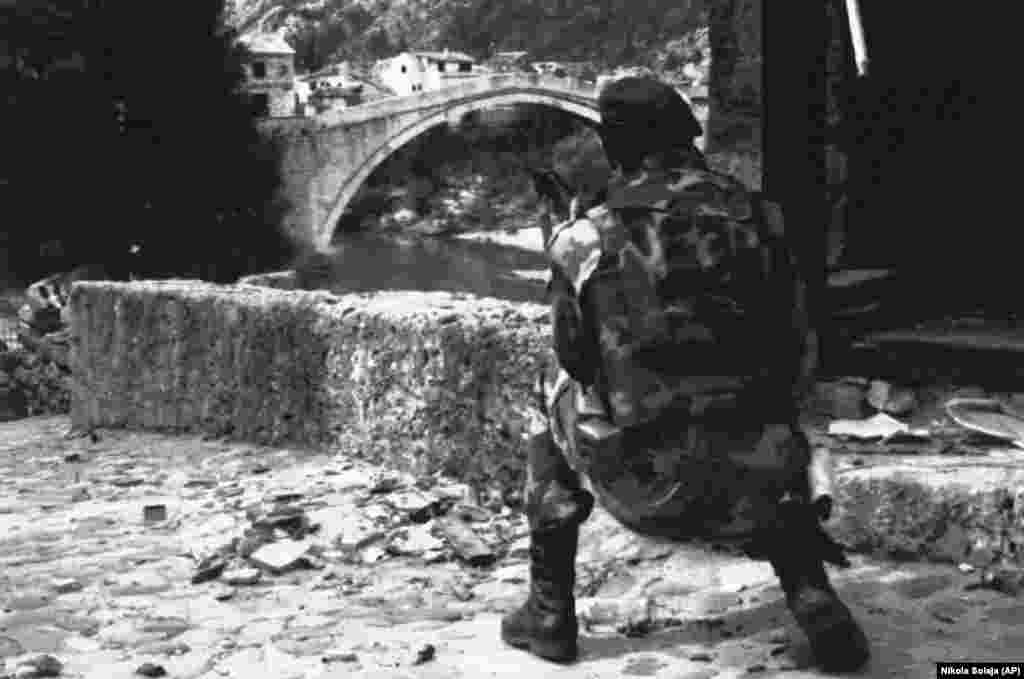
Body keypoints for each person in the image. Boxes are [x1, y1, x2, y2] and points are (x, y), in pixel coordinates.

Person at [501, 76, 871, 674]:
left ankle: (550, 612)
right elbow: (803, 348)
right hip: (758, 478)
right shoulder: (764, 219)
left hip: (640, 480)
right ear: (690, 139)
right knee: (768, 411)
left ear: (615, 149)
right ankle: (810, 590)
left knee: (546, 400)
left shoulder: (585, 238)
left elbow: (576, 359)